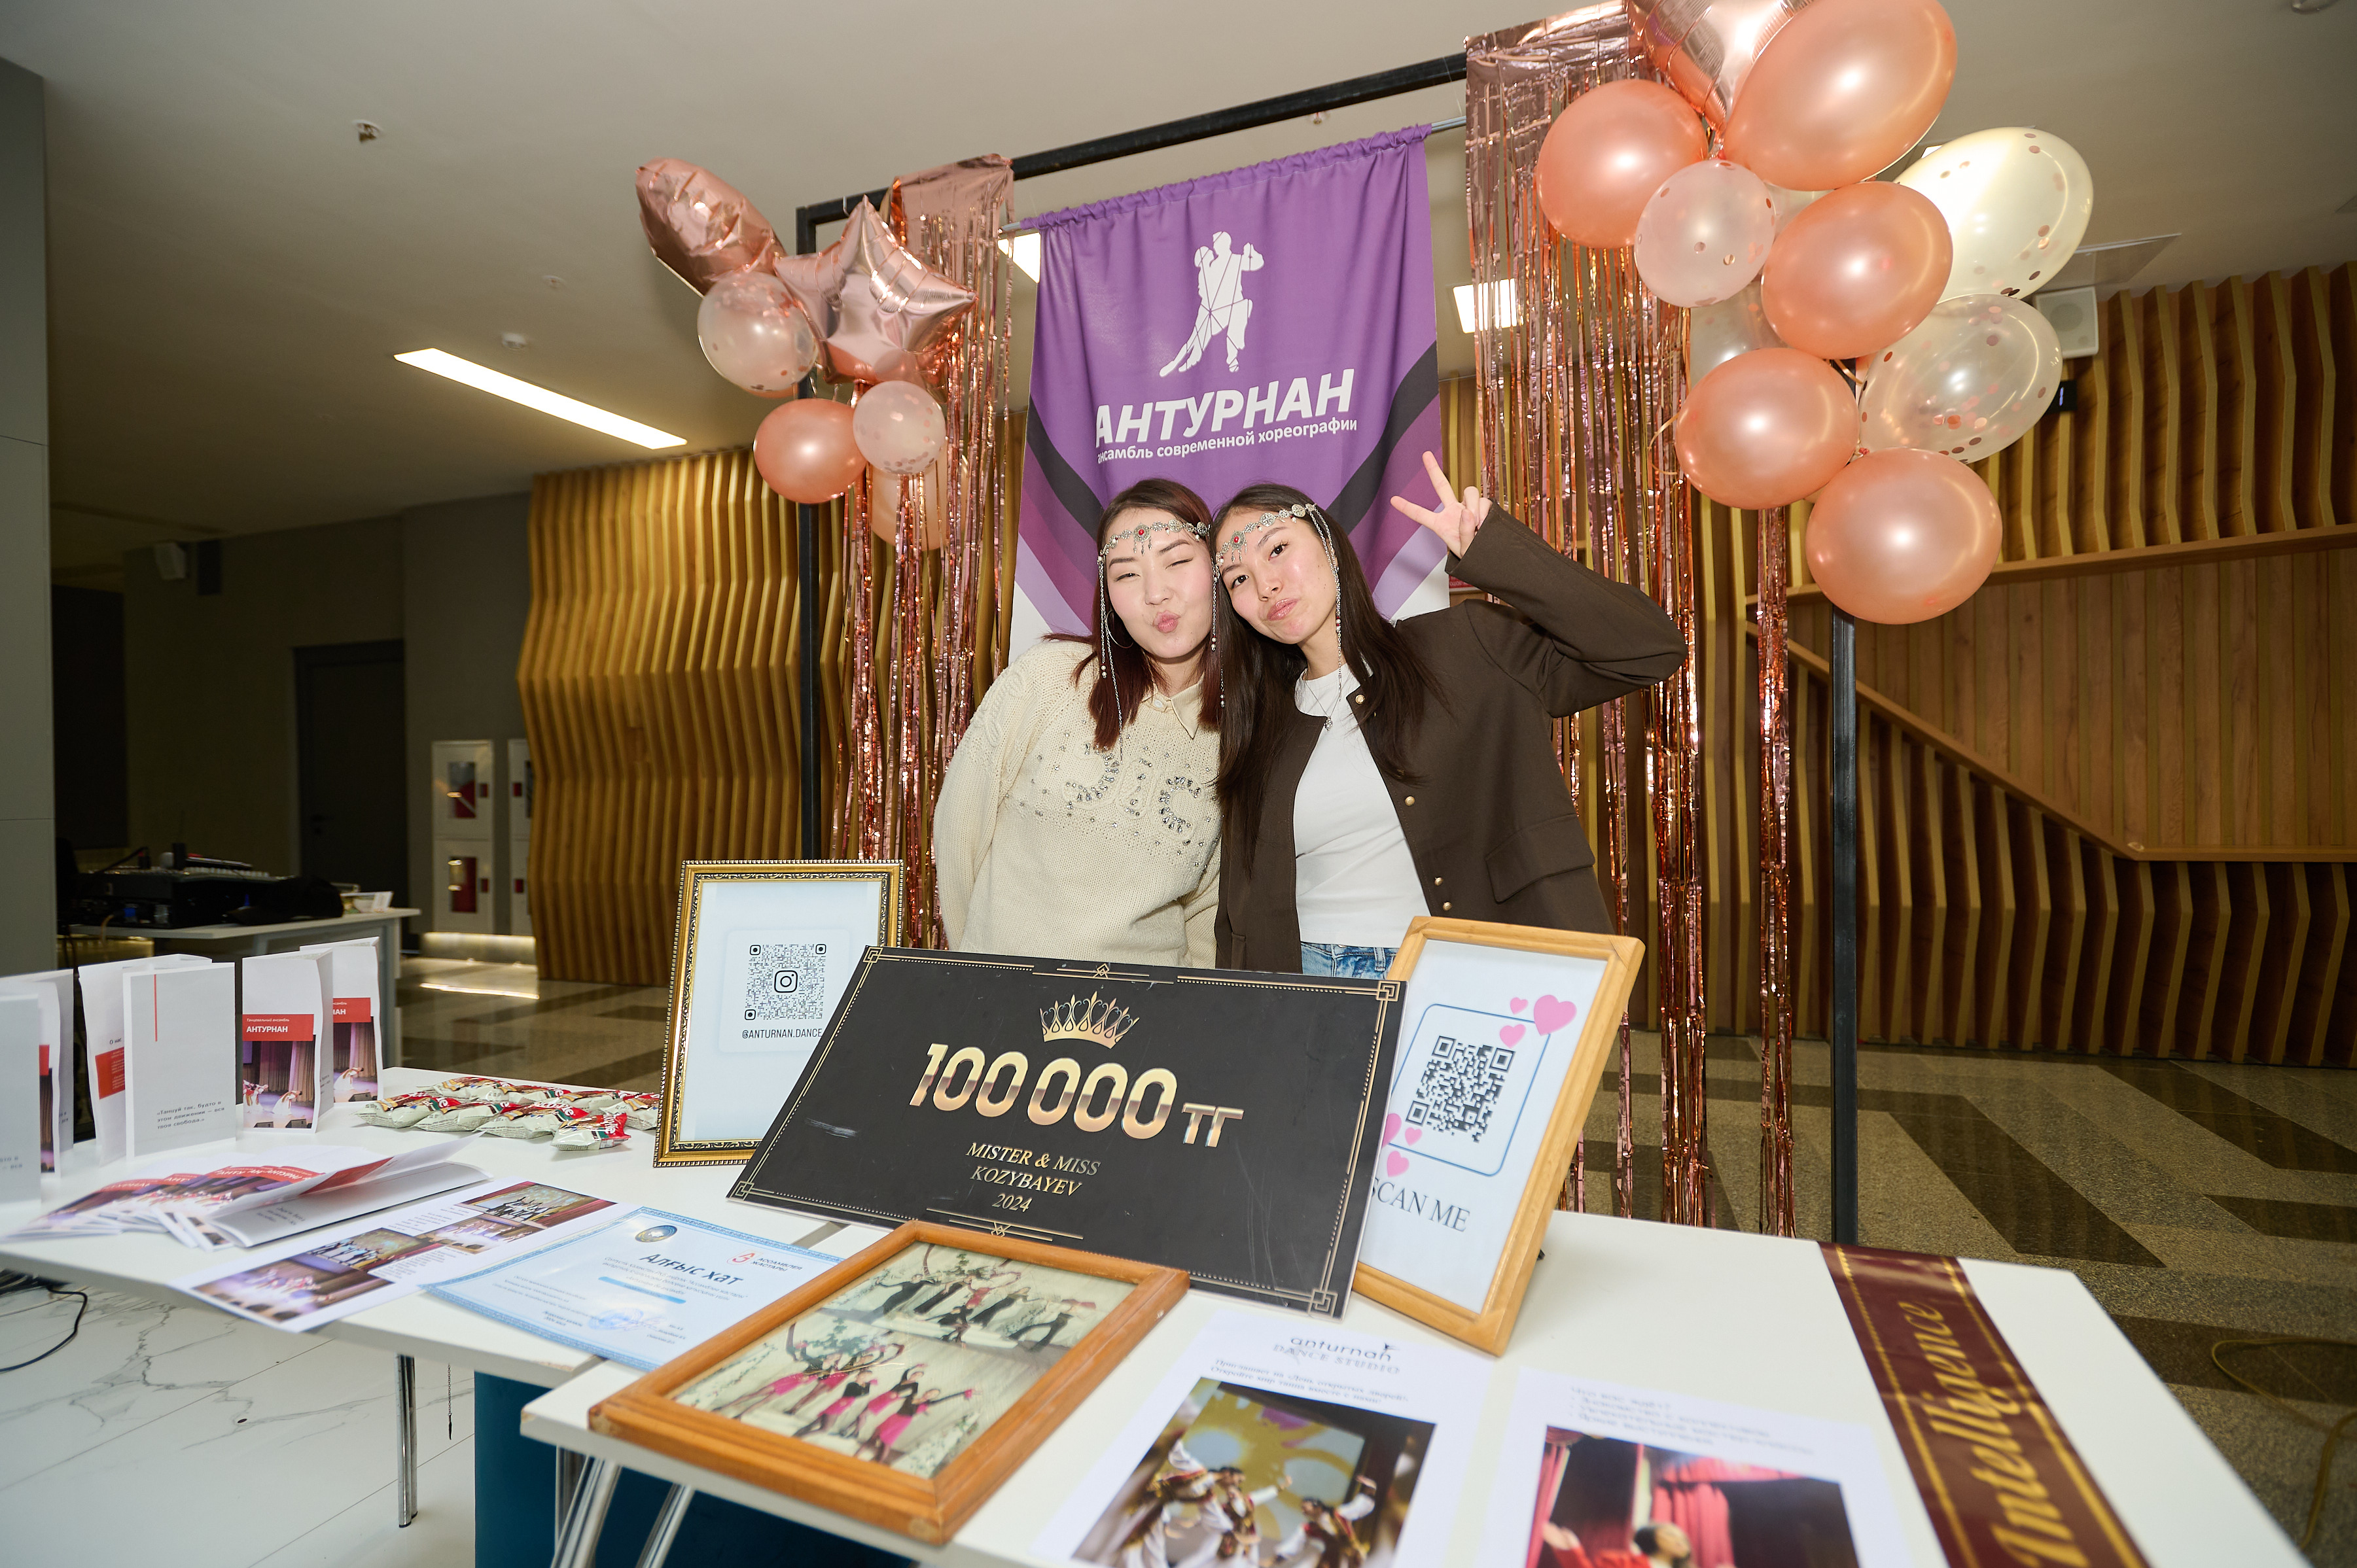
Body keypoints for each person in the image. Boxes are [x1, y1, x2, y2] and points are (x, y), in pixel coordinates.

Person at [1212, 454, 1686, 976]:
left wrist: (1497, 552)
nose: (1266, 585)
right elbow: (1240, 915)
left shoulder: (1465, 647)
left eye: (1277, 549)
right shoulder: (1258, 725)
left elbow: (1649, 649)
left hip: (1460, 977)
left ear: (1328, 542)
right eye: (1238, 579)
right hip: (1314, 989)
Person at [935, 478, 1223, 967]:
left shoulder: (1238, 733)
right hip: (1003, 992)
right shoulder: (1050, 677)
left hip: (1143, 1005)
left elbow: (1207, 913)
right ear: (1109, 595)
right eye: (1126, 574)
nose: (1156, 593)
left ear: (1216, 567)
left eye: (1176, 561)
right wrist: (976, 971)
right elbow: (960, 829)